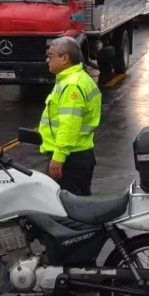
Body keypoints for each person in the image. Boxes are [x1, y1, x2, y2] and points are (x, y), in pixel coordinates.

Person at [38, 37, 102, 196]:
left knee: (66, 210)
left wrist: (58, 157)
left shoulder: (71, 85)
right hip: (78, 155)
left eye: (51, 55)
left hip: (70, 159)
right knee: (78, 205)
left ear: (65, 58)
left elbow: (69, 126)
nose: (47, 60)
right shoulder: (78, 78)